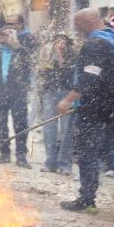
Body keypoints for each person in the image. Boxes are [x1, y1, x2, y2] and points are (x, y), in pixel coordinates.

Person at [57, 8, 114, 212]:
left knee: (87, 152)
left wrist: (68, 100)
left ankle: (87, 200)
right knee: (107, 151)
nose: (76, 29)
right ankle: (87, 197)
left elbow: (89, 77)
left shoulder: (95, 44)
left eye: (78, 24)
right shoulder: (113, 38)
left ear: (89, 21)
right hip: (112, 108)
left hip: (95, 109)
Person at [0, 24, 34, 168]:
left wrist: (16, 46)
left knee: (21, 123)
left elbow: (29, 68)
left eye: (9, 34)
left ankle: (21, 154)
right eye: (4, 34)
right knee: (1, 123)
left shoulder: (22, 51)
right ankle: (4, 152)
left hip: (18, 93)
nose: (6, 37)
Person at [38, 33, 76, 175]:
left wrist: (60, 58)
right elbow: (42, 72)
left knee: (66, 130)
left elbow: (70, 74)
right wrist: (45, 61)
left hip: (67, 93)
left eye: (63, 41)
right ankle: (50, 161)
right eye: (57, 41)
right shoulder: (48, 53)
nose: (60, 44)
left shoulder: (73, 55)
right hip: (50, 92)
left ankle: (65, 164)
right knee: (49, 128)